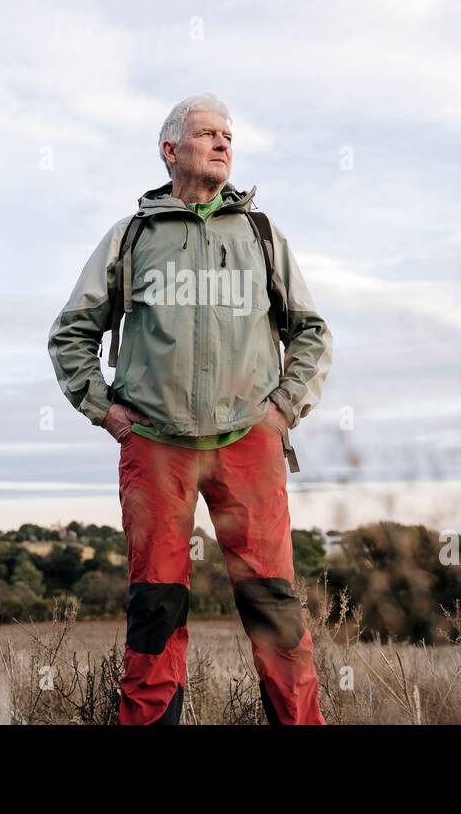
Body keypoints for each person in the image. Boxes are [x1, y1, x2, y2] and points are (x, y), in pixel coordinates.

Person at [47, 93, 332, 724]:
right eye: (207, 134)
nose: (223, 143)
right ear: (170, 150)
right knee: (156, 606)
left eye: (228, 135)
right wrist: (106, 410)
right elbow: (71, 332)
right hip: (156, 444)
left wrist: (282, 410)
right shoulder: (134, 236)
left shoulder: (260, 233)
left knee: (274, 608)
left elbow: (311, 330)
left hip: (247, 443)